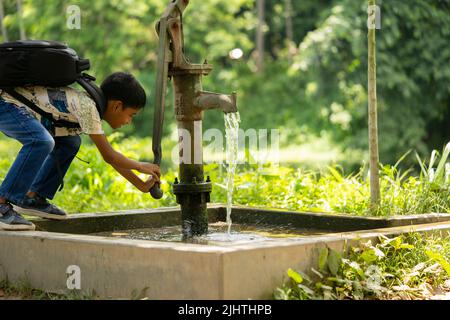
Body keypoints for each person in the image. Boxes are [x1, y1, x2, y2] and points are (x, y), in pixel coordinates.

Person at [0, 72, 161, 231]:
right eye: (131, 115)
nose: (129, 121)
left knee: (70, 142)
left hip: (15, 105)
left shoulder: (91, 106)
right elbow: (109, 156)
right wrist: (140, 166)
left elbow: (113, 160)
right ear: (117, 105)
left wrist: (141, 185)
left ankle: (33, 198)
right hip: (6, 103)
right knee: (41, 141)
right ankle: (1, 205)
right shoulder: (88, 107)